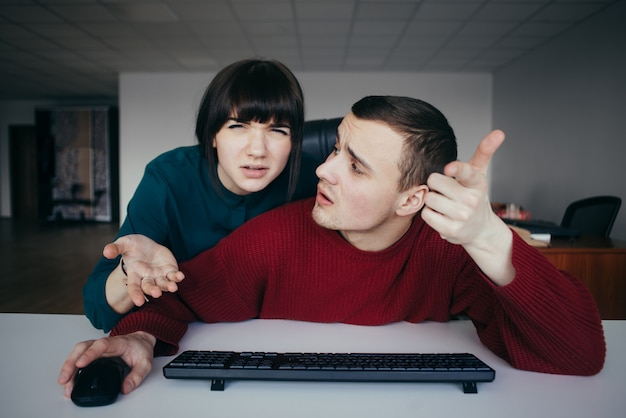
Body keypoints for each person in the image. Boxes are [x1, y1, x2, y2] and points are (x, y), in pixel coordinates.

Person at [59, 96, 606, 398]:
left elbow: (579, 355)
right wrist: (142, 338)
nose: (322, 169)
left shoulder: (449, 252)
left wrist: (492, 239)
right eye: (336, 148)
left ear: (412, 199)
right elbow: (181, 297)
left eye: (355, 165)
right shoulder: (279, 235)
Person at [83, 58, 319, 332]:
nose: (258, 150)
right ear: (213, 135)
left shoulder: (313, 178)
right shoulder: (168, 179)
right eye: (238, 126)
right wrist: (128, 273)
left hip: (279, 335)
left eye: (278, 130)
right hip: (188, 335)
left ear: (294, 142)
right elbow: (98, 312)